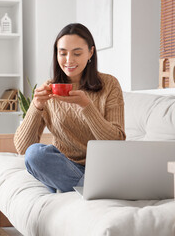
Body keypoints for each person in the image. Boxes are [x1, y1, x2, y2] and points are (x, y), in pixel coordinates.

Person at [14, 23, 126, 193]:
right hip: (65, 166)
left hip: (102, 168)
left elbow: (117, 141)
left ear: (90, 52)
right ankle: (88, 188)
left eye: (77, 53)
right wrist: (36, 107)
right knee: (35, 154)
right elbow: (23, 148)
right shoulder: (49, 89)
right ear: (56, 54)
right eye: (63, 53)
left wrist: (86, 106)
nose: (69, 60)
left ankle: (77, 187)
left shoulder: (110, 84)